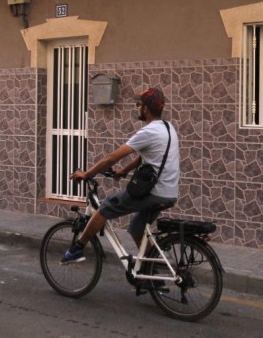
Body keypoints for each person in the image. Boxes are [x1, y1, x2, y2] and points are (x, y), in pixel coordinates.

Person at [62, 87, 180, 264]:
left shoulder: (148, 132)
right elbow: (146, 156)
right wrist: (125, 170)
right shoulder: (168, 128)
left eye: (138, 105)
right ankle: (152, 266)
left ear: (145, 109)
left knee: (105, 208)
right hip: (169, 192)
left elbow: (111, 158)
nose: (137, 108)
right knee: (136, 228)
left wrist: (87, 174)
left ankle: (77, 248)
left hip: (154, 192)